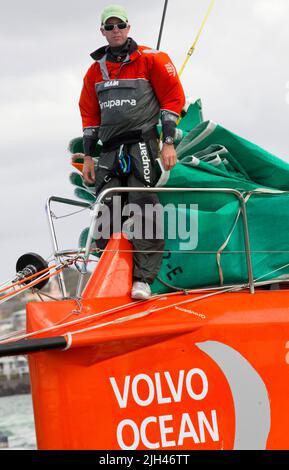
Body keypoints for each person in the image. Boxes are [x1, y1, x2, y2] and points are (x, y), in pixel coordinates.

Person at [79, 4, 185, 300]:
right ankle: (109, 274)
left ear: (128, 27)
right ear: (102, 31)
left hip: (143, 145)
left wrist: (168, 142)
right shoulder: (94, 71)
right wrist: (88, 156)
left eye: (120, 26)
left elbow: (173, 99)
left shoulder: (153, 59)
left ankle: (143, 280)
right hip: (110, 150)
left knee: (144, 206)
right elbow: (89, 116)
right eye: (109, 27)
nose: (115, 31)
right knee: (106, 211)